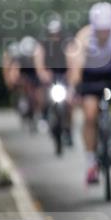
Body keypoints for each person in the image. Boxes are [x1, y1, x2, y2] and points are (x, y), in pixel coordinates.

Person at [66, 2, 111, 185]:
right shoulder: (83, 37)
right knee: (90, 116)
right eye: (100, 29)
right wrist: (74, 89)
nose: (103, 33)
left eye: (107, 29)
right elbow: (75, 67)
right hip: (90, 76)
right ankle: (91, 163)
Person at [34, 16, 73, 146]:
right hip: (49, 75)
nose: (54, 36)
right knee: (43, 96)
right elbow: (39, 61)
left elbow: (71, 60)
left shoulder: (67, 42)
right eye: (52, 34)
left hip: (64, 74)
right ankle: (44, 115)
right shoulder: (42, 44)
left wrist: (70, 73)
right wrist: (42, 73)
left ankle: (68, 129)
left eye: (57, 33)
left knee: (68, 102)